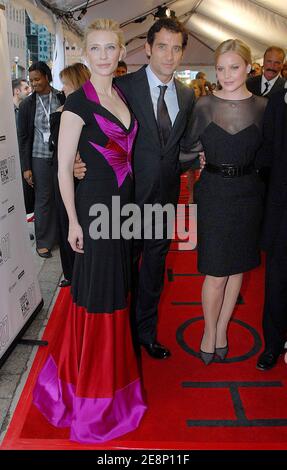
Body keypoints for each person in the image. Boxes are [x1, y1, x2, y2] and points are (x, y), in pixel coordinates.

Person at [33, 18, 146, 444]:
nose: (103, 55)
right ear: (86, 53)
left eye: (109, 48)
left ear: (120, 53)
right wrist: (74, 223)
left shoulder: (121, 94)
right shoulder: (76, 103)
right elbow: (63, 167)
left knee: (117, 293)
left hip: (123, 211)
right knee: (99, 297)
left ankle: (113, 386)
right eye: (95, 48)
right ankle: (92, 397)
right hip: (95, 212)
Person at [74, 17, 195, 359]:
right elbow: (85, 122)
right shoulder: (123, 86)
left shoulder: (187, 96)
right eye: (162, 47)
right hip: (123, 197)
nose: (169, 56)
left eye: (176, 48)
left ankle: (145, 333)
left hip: (164, 199)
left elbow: (179, 145)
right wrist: (74, 161)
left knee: (154, 269)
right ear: (147, 49)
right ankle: (120, 336)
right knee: (123, 268)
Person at [181, 39, 267, 364]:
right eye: (220, 68)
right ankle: (208, 329)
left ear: (248, 67)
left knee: (238, 269)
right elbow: (185, 148)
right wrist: (199, 156)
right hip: (215, 193)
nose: (227, 74)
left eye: (234, 67)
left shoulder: (263, 107)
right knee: (216, 272)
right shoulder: (205, 105)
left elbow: (269, 152)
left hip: (248, 194)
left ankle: (222, 330)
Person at [49, 63, 91, 288]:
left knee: (77, 222)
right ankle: (71, 273)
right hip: (63, 172)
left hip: (82, 174)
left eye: (65, 83)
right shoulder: (60, 113)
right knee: (66, 221)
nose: (62, 87)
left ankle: (79, 272)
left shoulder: (81, 111)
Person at [18, 62, 64, 258]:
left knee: (61, 198)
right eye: (31, 80)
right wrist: (26, 167)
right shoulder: (27, 104)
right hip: (38, 157)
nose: (34, 83)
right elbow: (23, 137)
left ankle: (59, 237)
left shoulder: (62, 97)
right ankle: (43, 242)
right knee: (43, 199)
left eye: (37, 79)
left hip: (61, 156)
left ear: (47, 76)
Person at [256, 84, 287, 370]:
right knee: (276, 283)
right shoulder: (276, 103)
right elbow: (266, 154)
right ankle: (273, 345)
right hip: (281, 210)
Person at [12, 79, 35, 217]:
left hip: (25, 161)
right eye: (26, 88)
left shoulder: (24, 110)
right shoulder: (6, 113)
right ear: (17, 91)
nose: (30, 90)